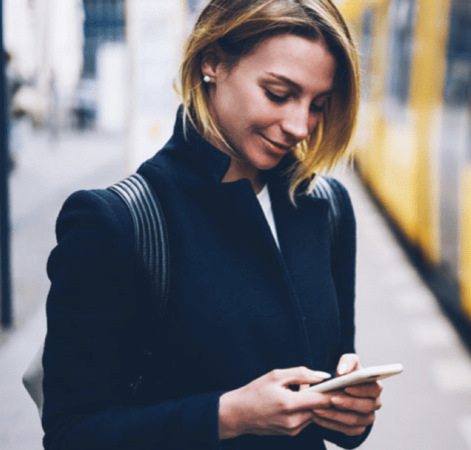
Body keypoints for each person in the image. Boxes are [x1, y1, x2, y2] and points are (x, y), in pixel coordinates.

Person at [41, 1, 382, 449]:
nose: (301, 126)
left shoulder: (326, 206)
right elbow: (72, 434)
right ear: (212, 62)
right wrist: (227, 416)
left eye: (318, 104)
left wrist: (351, 414)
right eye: (279, 94)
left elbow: (327, 393)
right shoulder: (117, 222)